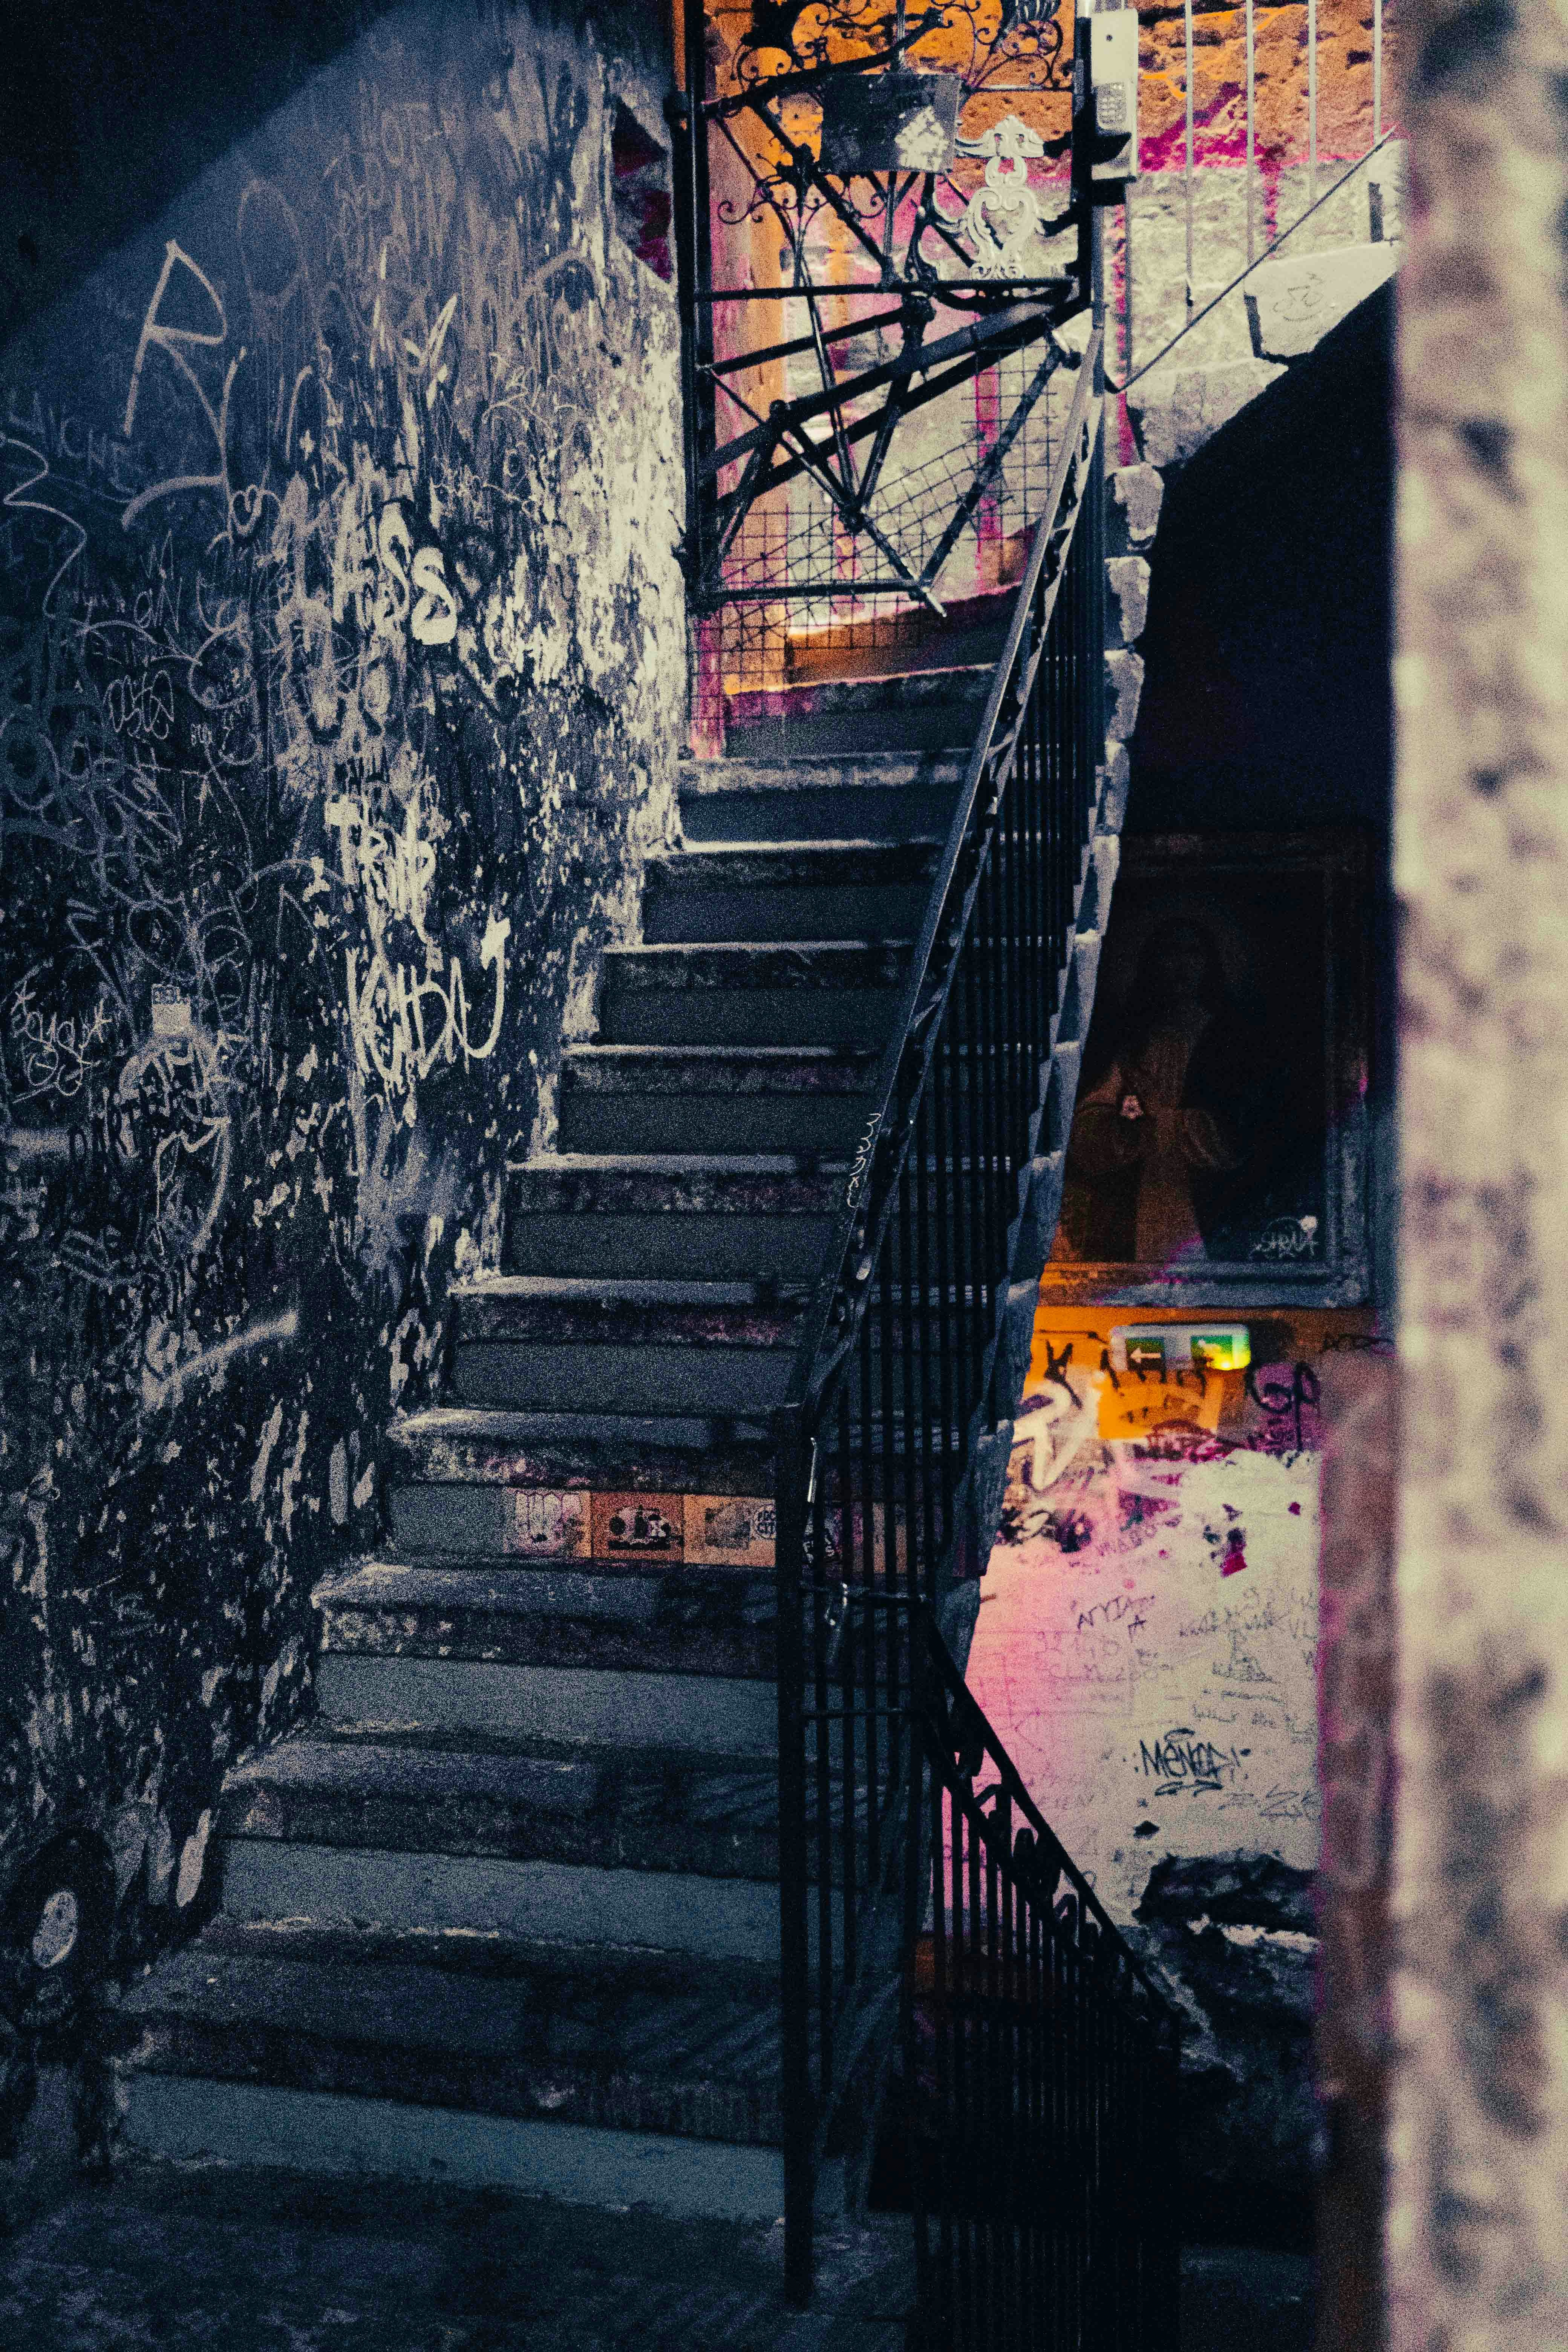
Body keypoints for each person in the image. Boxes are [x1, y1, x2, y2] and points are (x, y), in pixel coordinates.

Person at [1058, 916, 1281, 1266]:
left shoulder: (1231, 1038)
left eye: (1192, 952)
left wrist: (1165, 1123)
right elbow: (1092, 1117)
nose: (1181, 965)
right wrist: (1123, 1127)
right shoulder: (1133, 1039)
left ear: (1207, 962)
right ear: (1153, 963)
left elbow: (1248, 1125)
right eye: (1169, 953)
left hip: (1206, 1197)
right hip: (1137, 1189)